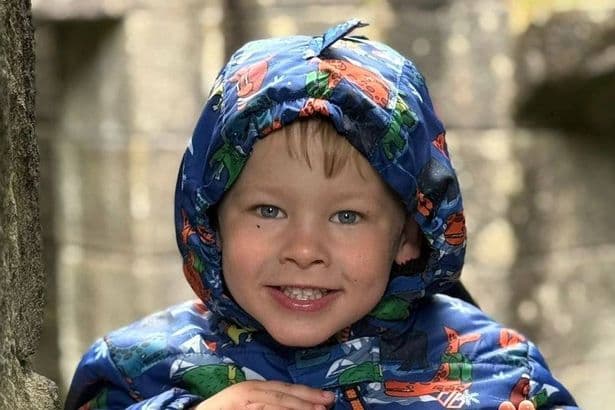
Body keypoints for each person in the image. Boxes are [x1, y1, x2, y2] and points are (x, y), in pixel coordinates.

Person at [65, 19, 578, 409]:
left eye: (347, 217)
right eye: (269, 210)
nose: (304, 250)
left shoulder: (500, 377)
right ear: (210, 220)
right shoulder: (137, 372)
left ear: (409, 233)